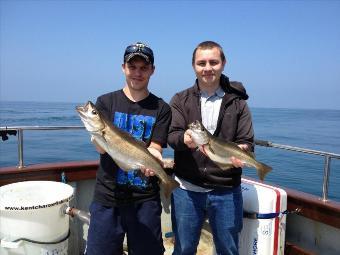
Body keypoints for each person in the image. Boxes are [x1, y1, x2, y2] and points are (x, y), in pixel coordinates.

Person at [168, 41, 254, 255]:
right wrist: (184, 138)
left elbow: (246, 140)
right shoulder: (180, 99)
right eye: (201, 63)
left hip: (227, 189)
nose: (207, 68)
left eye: (213, 62)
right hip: (186, 188)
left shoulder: (238, 103)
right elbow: (172, 136)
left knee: (228, 249)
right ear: (194, 66)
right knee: (184, 248)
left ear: (223, 64)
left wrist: (242, 151)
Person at [86, 42, 171, 255]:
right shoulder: (105, 102)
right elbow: (101, 149)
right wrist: (95, 133)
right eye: (132, 67)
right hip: (107, 197)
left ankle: (168, 183)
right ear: (123, 67)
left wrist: (155, 164)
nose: (137, 73)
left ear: (152, 70)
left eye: (144, 68)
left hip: (145, 200)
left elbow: (155, 148)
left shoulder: (162, 108)